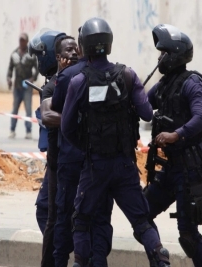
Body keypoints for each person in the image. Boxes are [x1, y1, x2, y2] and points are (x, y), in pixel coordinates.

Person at [61, 17, 171, 267]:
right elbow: (146, 114)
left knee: (81, 219)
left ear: (84, 46)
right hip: (124, 166)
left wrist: (88, 145)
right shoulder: (129, 75)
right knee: (141, 221)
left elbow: (67, 127)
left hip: (95, 166)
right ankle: (161, 258)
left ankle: (80, 263)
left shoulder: (79, 81)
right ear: (108, 43)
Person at [144, 24, 202, 267]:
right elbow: (143, 103)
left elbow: (200, 117)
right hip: (171, 167)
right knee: (142, 214)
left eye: (162, 53)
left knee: (188, 234)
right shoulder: (164, 84)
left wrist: (176, 135)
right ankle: (160, 261)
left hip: (190, 169)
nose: (159, 58)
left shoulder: (191, 83)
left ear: (173, 55)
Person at [51, 26, 114, 267]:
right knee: (99, 218)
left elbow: (57, 112)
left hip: (71, 159)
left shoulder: (68, 77)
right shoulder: (118, 74)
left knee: (66, 218)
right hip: (102, 161)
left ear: (80, 46)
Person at [29, 29, 74, 267]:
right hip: (61, 158)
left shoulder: (59, 83)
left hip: (62, 160)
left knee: (51, 214)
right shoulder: (58, 81)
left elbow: (49, 119)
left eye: (39, 55)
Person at [7, 32, 39, 139]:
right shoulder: (14, 54)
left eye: (23, 40)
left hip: (27, 86)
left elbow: (37, 68)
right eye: (20, 40)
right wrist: (9, 79)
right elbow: (10, 69)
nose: (21, 42)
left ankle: (28, 131)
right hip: (17, 87)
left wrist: (32, 79)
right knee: (15, 108)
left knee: (28, 109)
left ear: (27, 41)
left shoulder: (31, 55)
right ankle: (12, 130)